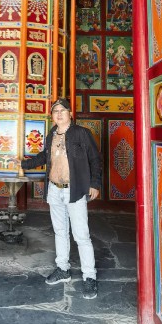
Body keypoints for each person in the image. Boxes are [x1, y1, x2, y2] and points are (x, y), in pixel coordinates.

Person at [18, 98, 102, 299]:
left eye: (62, 110)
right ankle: (62, 269)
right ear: (52, 116)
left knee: (81, 235)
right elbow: (43, 157)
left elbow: (95, 160)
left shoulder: (81, 133)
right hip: (54, 189)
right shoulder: (51, 134)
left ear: (70, 113)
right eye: (55, 111)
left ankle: (89, 276)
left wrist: (95, 184)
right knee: (60, 231)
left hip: (75, 190)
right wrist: (22, 164)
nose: (59, 114)